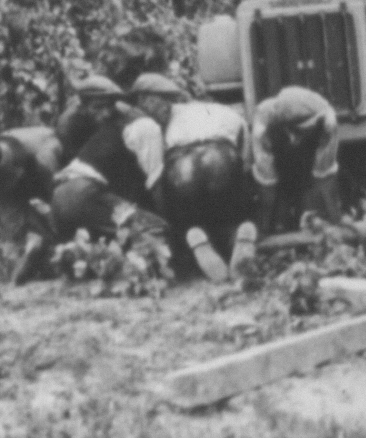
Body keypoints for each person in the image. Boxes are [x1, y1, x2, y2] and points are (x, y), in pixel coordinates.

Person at [135, 73, 256, 282]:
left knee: (187, 215)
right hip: (222, 158)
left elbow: (156, 171)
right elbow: (245, 162)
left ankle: (194, 235)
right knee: (230, 213)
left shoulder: (156, 127)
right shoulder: (225, 111)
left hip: (182, 167)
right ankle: (236, 233)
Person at [49, 84, 171, 259]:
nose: (167, 108)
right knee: (155, 227)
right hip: (83, 194)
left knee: (105, 239)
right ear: (143, 101)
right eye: (163, 102)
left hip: (59, 198)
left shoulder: (112, 128)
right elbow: (155, 182)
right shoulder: (147, 126)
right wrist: (168, 220)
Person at [0, 126, 61, 284]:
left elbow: (55, 203)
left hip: (45, 177)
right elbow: (13, 222)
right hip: (16, 174)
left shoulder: (44, 156)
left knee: (55, 217)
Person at [250, 85, 342, 235]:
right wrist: (264, 230)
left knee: (314, 207)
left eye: (302, 132)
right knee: (276, 214)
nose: (296, 139)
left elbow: (324, 177)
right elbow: (267, 184)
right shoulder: (262, 128)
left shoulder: (328, 124)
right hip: (278, 148)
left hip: (311, 148)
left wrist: (336, 225)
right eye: (296, 133)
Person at [54, 74, 127, 164]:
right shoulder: (67, 126)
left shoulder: (122, 114)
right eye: (98, 107)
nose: (107, 114)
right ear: (83, 108)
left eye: (110, 106)